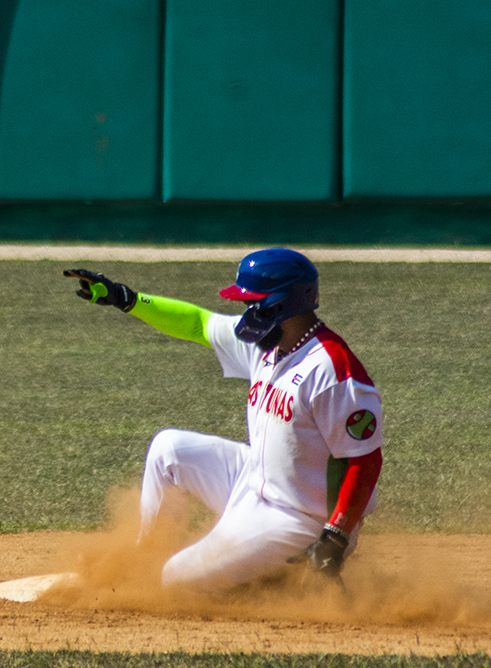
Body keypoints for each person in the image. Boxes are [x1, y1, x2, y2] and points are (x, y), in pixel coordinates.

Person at [64, 248, 383, 595]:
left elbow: (364, 460)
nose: (245, 312)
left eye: (251, 303)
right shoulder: (269, 343)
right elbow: (198, 323)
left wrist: (334, 537)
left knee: (176, 580)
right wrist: (127, 299)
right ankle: (146, 558)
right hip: (254, 481)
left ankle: (279, 585)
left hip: (301, 518)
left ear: (280, 305)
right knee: (168, 450)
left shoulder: (332, 370)